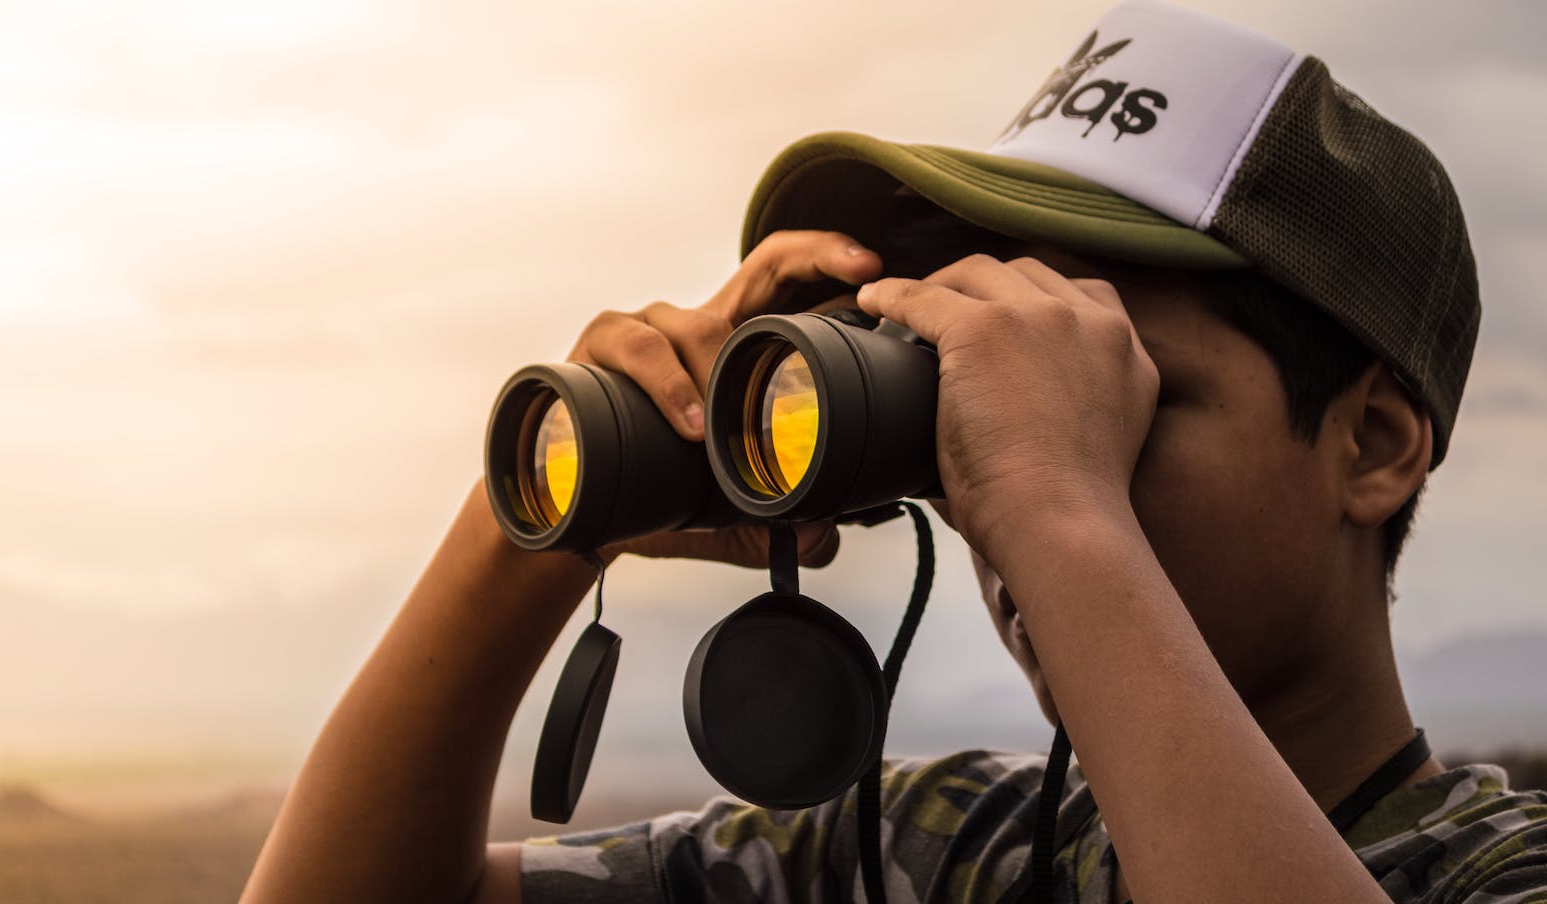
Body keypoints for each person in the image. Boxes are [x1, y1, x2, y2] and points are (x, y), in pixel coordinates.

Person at [240, 2, 1547, 902]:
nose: (999, 468)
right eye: (977, 386)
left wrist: (1052, 499)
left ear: (1371, 444)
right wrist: (540, 507)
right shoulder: (949, 853)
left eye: (1115, 385)